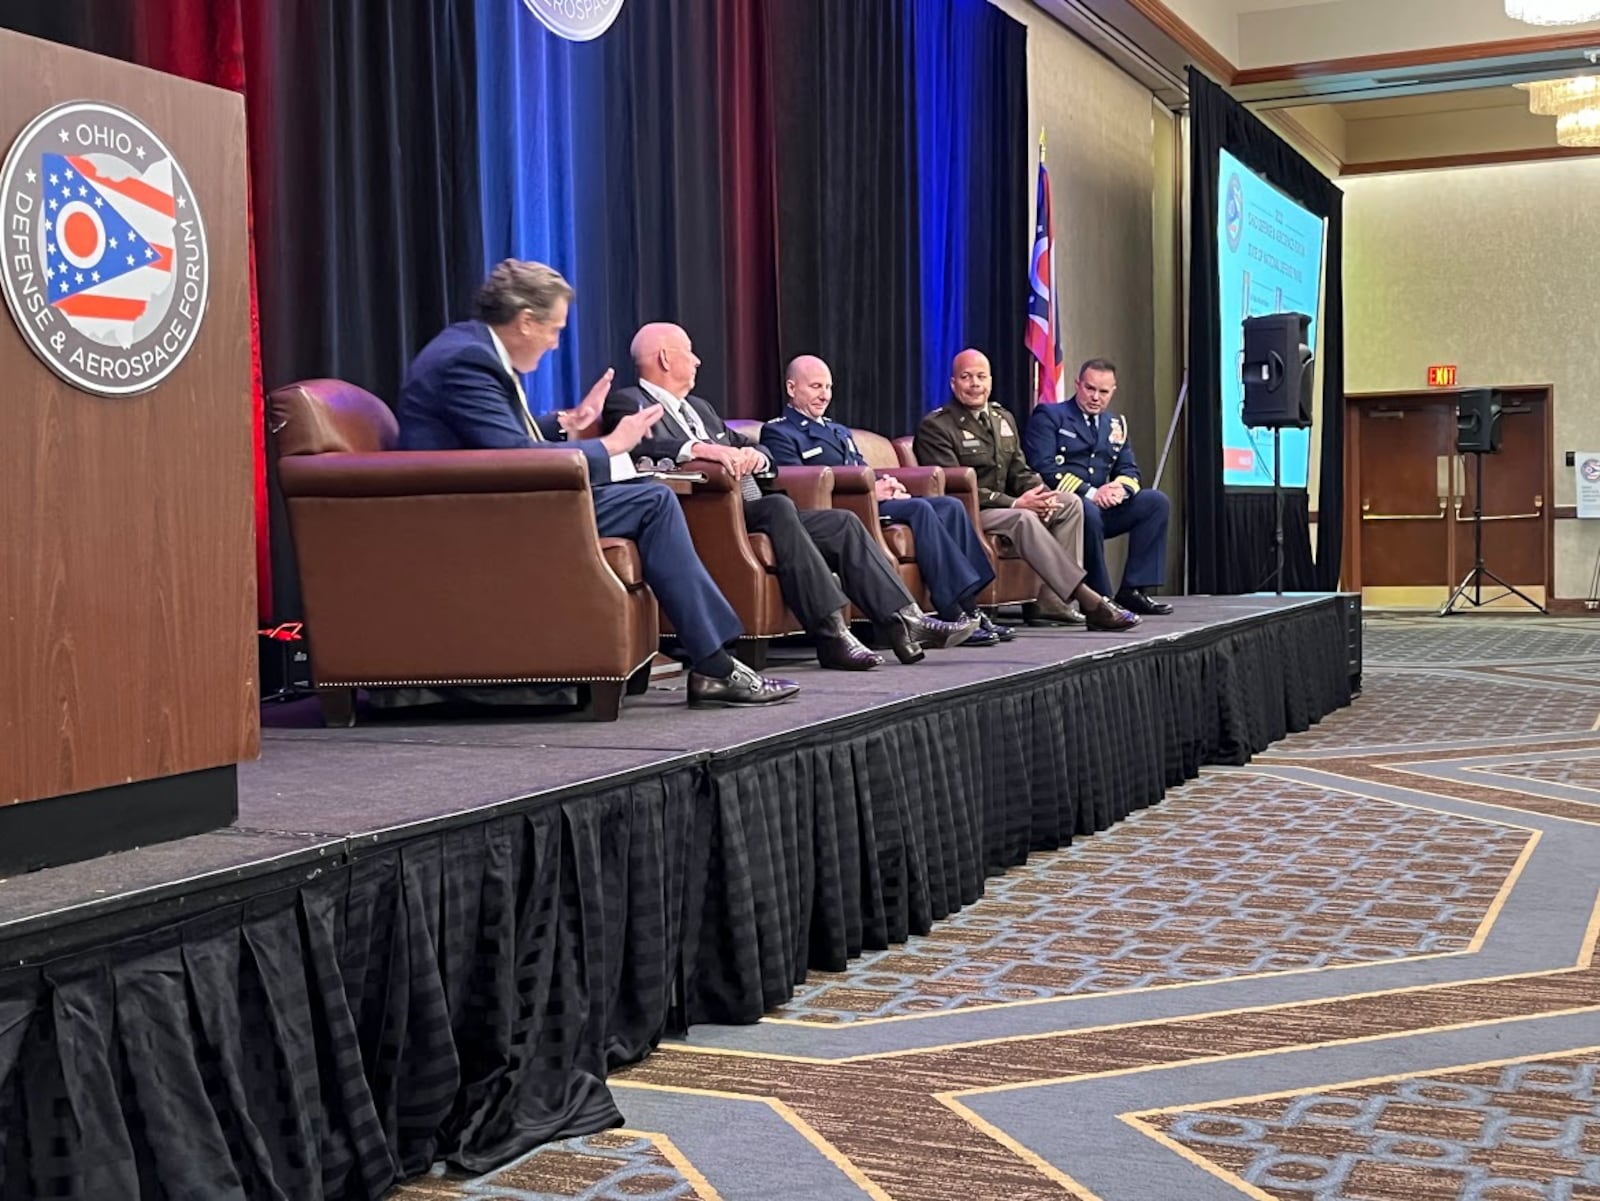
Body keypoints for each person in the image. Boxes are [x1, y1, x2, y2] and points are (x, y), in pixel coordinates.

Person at [396, 259, 798, 706]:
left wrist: (567, 423)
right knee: (653, 503)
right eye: (554, 330)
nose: (554, 343)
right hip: (482, 510)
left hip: (497, 493)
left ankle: (713, 660)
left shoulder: (473, 347)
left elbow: (498, 439)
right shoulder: (468, 361)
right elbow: (512, 459)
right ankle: (716, 665)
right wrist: (610, 445)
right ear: (526, 321)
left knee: (653, 498)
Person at [602, 323, 979, 668]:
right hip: (704, 511)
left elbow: (753, 448)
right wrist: (702, 449)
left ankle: (905, 621)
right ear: (666, 357)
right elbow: (639, 447)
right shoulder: (628, 402)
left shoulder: (701, 408)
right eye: (689, 350)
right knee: (779, 506)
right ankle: (832, 634)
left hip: (748, 505)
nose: (698, 360)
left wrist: (755, 455)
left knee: (842, 523)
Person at [760, 355, 1010, 646]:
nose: (824, 395)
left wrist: (887, 484)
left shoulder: (837, 430)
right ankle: (953, 612)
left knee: (950, 505)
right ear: (792, 388)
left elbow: (859, 469)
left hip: (870, 501)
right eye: (816, 386)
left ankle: (972, 608)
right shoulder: (779, 431)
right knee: (919, 509)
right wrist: (869, 492)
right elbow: (800, 486)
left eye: (828, 387)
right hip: (841, 510)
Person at [912, 349, 1141, 633]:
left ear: (991, 381)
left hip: (1009, 504)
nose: (974, 384)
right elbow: (953, 487)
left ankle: (1053, 603)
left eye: (981, 377)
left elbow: (1019, 469)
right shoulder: (936, 426)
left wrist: (1039, 494)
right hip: (973, 512)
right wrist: (1016, 503)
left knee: (1069, 502)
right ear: (953, 383)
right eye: (966, 377)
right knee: (1023, 519)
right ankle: (1088, 598)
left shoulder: (1002, 418)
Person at [1023, 358, 1172, 615]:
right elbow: (1043, 467)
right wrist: (1092, 493)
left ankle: (1133, 590)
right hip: (1066, 505)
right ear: (1077, 384)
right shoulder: (1050, 415)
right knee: (1086, 510)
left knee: (1155, 502)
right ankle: (1101, 597)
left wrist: (1120, 490)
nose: (1095, 397)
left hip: (1103, 506)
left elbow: (1128, 469)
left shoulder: (1115, 425)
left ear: (1113, 392)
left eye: (1103, 392)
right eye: (1090, 388)